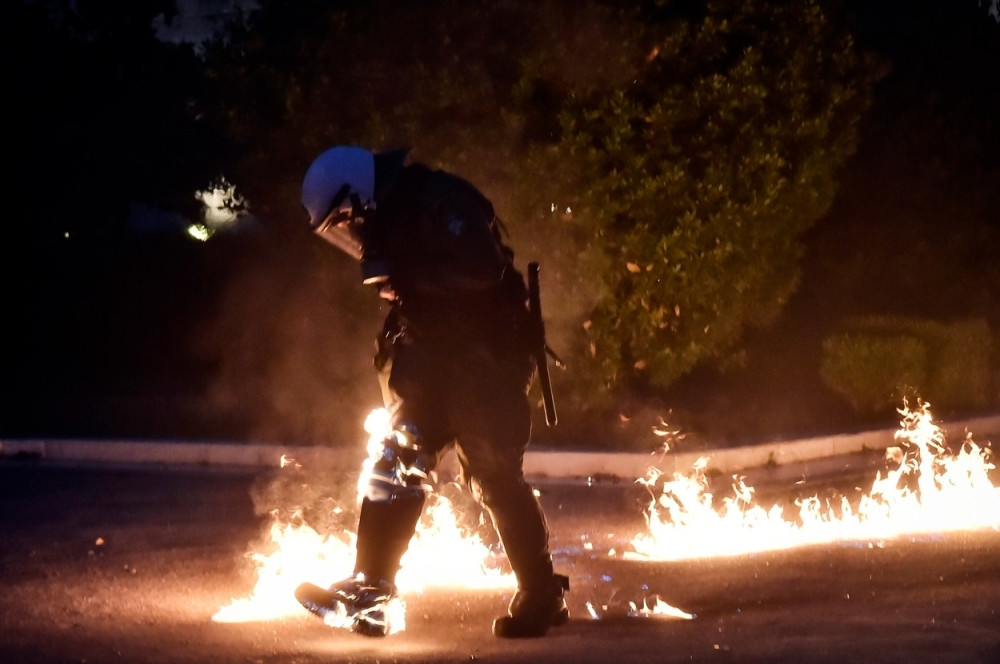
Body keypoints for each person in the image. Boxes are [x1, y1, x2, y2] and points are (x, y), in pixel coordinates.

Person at [293, 145, 569, 638]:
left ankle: (541, 593)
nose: (349, 228)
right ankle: (372, 593)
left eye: (346, 216)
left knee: (492, 473)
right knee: (397, 460)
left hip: (487, 360)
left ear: (360, 194)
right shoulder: (393, 215)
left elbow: (483, 270)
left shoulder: (440, 200)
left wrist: (411, 279)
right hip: (436, 360)